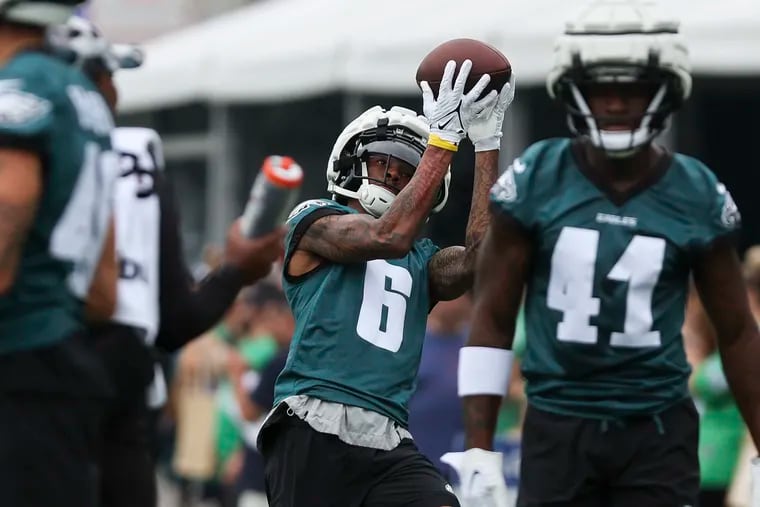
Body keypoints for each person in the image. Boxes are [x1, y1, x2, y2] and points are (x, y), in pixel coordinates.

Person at [445, 1, 760, 506]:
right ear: (573, 89)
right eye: (601, 88)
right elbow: (492, 315)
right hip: (557, 422)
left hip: (656, 427)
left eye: (632, 88)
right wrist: (479, 449)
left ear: (664, 89)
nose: (615, 103)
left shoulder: (695, 191)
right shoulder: (539, 177)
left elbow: (738, 330)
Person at [47, 16, 285, 507]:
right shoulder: (130, 155)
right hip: (109, 408)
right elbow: (176, 320)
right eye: (107, 76)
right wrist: (237, 269)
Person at [257, 60, 514, 507]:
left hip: (389, 438)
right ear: (351, 163)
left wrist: (487, 143)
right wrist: (442, 140)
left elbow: (485, 261)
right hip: (315, 421)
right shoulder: (312, 219)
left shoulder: (422, 259)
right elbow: (385, 237)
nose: (395, 175)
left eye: (408, 169)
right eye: (383, 162)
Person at [0, 2, 120, 506]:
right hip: (62, 360)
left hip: (17, 363)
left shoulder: (23, 84)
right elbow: (102, 292)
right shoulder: (83, 95)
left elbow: (8, 206)